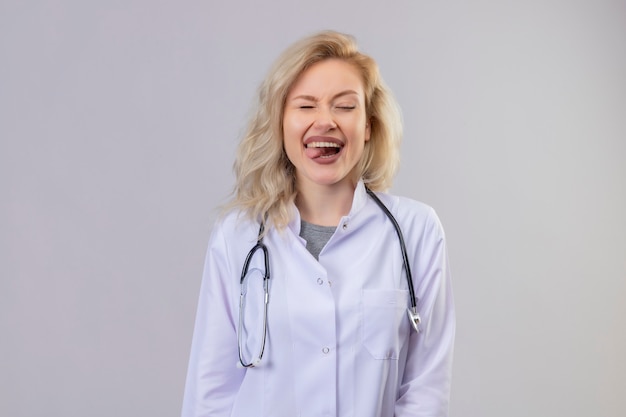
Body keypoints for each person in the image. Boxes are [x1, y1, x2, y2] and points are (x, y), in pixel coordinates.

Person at [181, 30, 455, 417]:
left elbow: (426, 392)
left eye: (344, 106)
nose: (324, 122)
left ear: (369, 126)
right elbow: (210, 393)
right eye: (305, 106)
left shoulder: (417, 232)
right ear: (280, 122)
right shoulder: (237, 236)